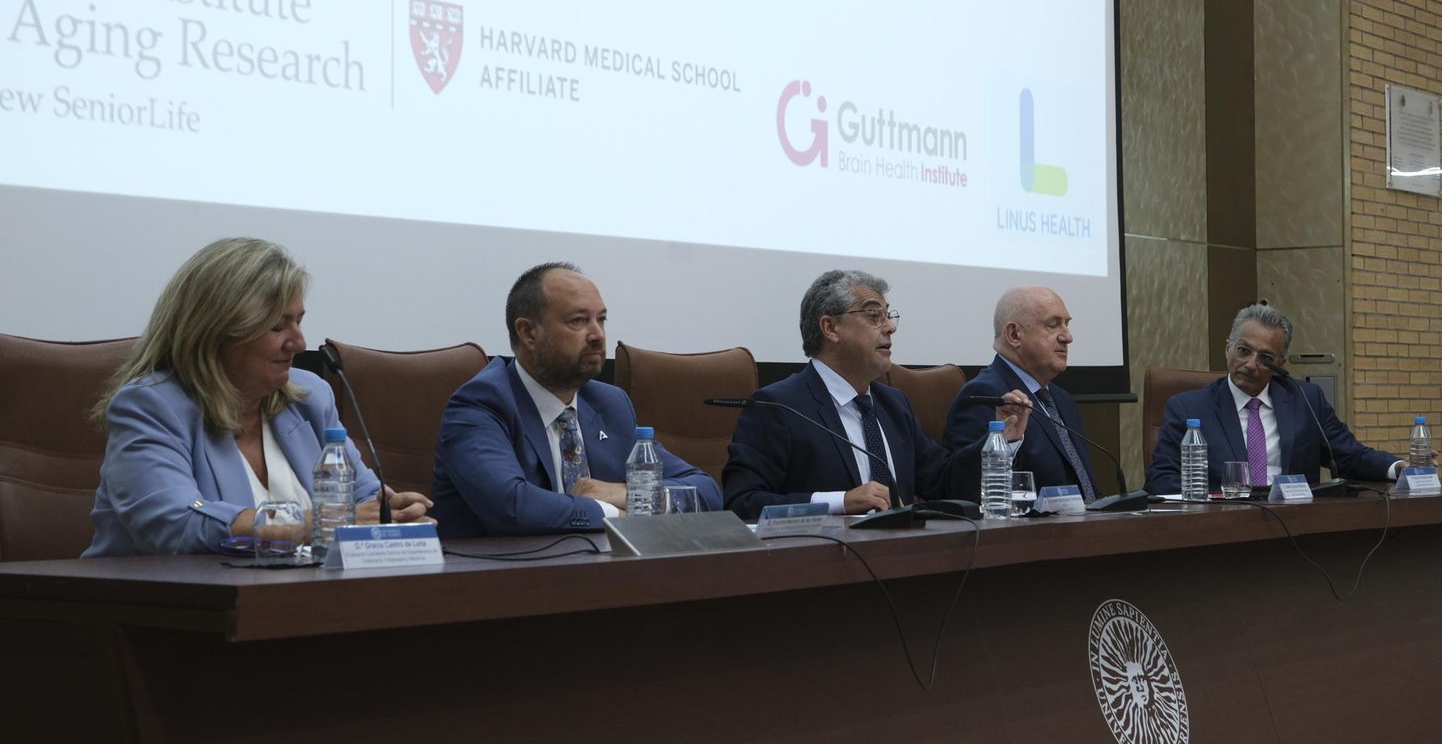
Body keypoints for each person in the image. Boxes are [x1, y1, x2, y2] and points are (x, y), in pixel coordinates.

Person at [83, 238, 433, 557]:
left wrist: (395, 515)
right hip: (160, 612)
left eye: (298, 321)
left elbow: (363, 502)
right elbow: (175, 528)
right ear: (213, 332)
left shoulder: (310, 399)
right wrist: (321, 524)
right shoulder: (151, 407)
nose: (298, 343)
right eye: (277, 327)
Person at [431, 263, 721, 536]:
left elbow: (706, 491)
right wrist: (615, 515)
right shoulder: (482, 403)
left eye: (601, 319)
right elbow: (513, 506)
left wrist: (628, 493)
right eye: (578, 321)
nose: (597, 335)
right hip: (500, 581)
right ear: (528, 332)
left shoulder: (609, 403)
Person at [722, 269, 1029, 520]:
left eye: (888, 316)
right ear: (830, 328)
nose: (890, 328)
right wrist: (840, 501)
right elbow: (742, 502)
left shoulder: (893, 404)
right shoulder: (779, 406)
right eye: (874, 316)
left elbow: (945, 483)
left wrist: (1004, 439)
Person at [1144, 303, 1413, 495]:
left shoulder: (1305, 400)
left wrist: (1398, 467)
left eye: (1266, 358)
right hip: (1222, 529)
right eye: (1243, 350)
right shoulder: (1189, 408)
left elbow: (1349, 455)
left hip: (1296, 531)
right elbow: (1161, 480)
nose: (1250, 364)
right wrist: (1217, 499)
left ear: (1281, 363)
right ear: (1228, 348)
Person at [944, 286, 1103, 499]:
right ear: (1014, 334)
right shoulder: (987, 395)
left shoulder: (1062, 400)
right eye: (1053, 325)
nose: (1068, 337)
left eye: (1067, 324)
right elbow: (968, 488)